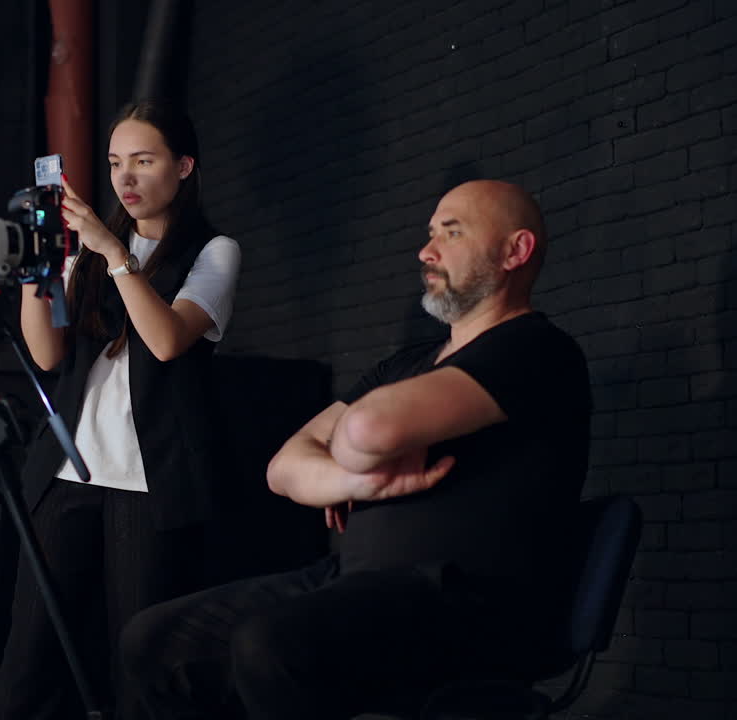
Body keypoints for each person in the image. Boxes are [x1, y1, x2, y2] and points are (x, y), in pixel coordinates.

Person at [119, 180, 592, 719]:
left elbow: (369, 430)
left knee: (270, 646)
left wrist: (353, 447)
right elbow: (285, 467)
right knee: (154, 639)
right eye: (430, 232)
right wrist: (359, 482)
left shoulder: (535, 351)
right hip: (353, 583)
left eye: (452, 232)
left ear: (516, 251)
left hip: (465, 602)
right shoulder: (407, 364)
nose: (426, 250)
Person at [0, 100, 241, 720]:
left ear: (183, 167)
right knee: (29, 658)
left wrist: (112, 251)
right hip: (67, 471)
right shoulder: (91, 253)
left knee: (140, 658)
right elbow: (47, 355)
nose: (124, 179)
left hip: (151, 482)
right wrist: (37, 268)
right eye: (115, 163)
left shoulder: (215, 252)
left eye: (144, 162)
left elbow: (167, 340)